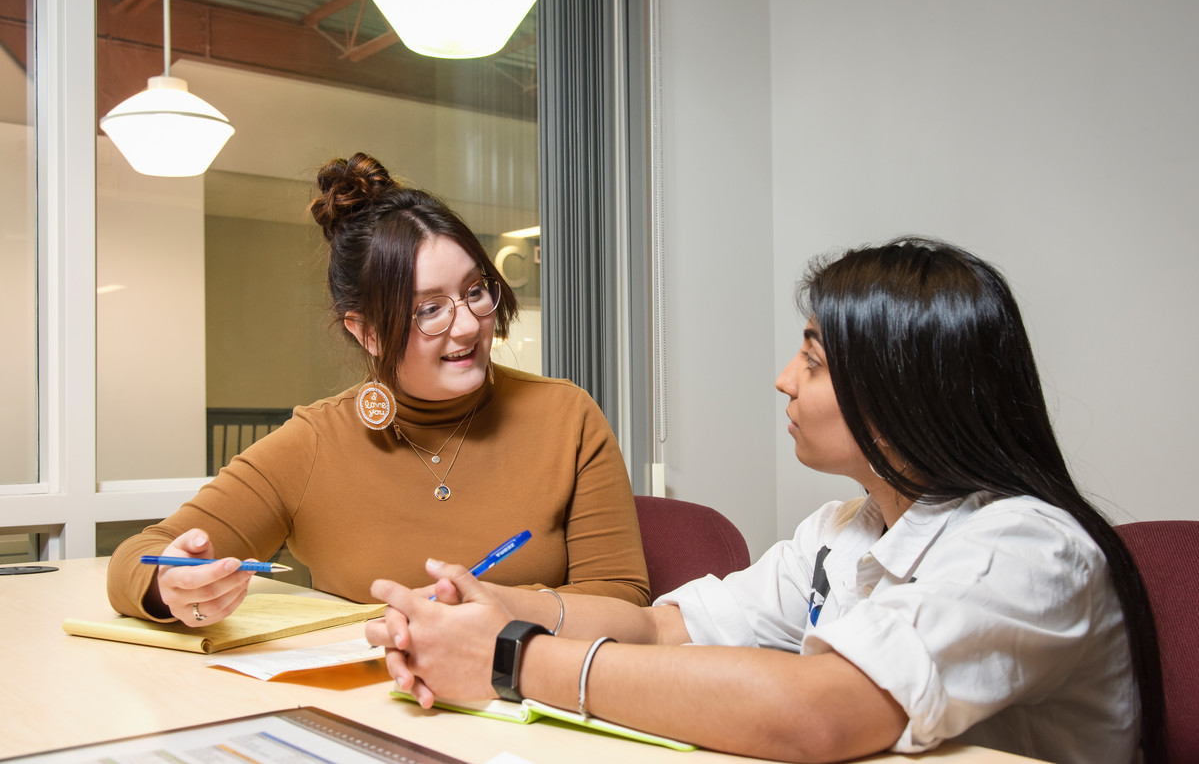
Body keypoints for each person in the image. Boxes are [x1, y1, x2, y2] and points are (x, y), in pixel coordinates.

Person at [365, 238, 1164, 764]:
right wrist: (496, 606)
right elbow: (661, 626)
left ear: (897, 392)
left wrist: (513, 660)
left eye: (812, 362)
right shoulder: (845, 529)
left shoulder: (1026, 549)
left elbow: (818, 711)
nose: (784, 378)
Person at [107, 152, 650, 626]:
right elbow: (140, 557)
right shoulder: (316, 441)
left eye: (475, 291)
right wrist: (172, 589)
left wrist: (503, 607)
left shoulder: (565, 416)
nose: (466, 325)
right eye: (429, 309)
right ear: (364, 330)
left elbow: (623, 601)